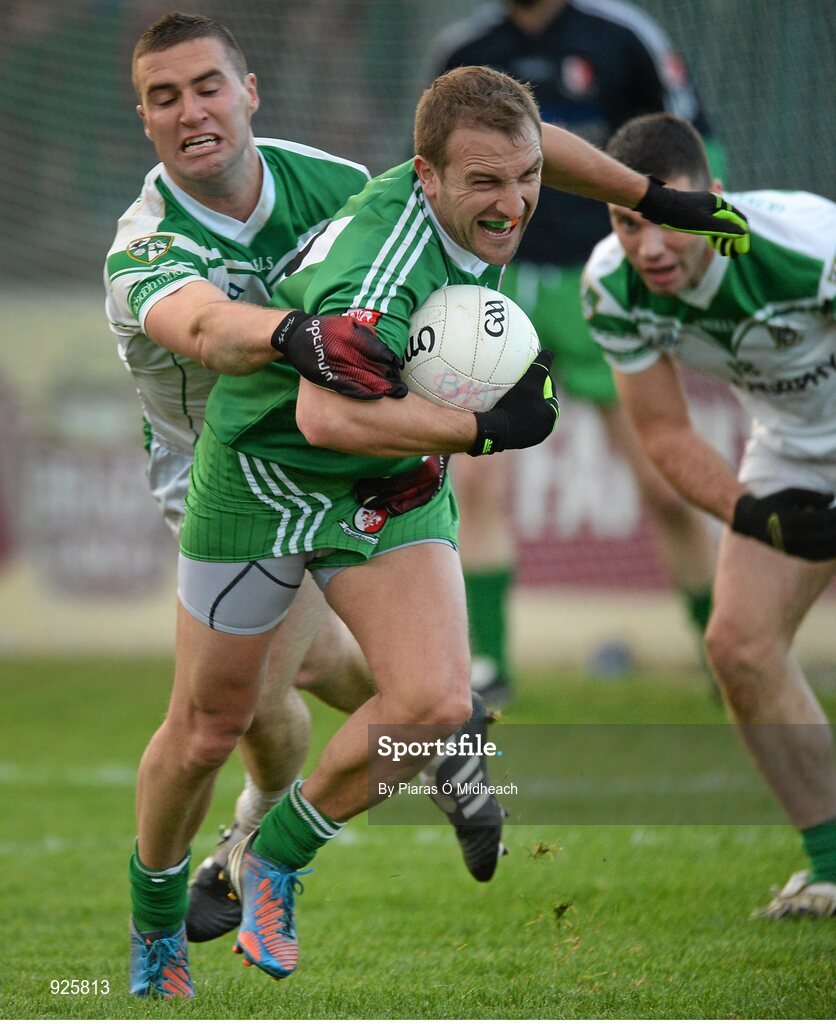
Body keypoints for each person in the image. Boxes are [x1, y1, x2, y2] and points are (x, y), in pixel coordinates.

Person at [125, 56, 750, 997]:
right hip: (264, 476)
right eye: (485, 184)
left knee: (431, 709)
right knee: (210, 727)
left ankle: (272, 862)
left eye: (524, 179)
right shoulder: (385, 267)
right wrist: (485, 430)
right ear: (428, 178)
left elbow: (537, 153)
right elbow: (321, 418)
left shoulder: (481, 181)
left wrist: (652, 195)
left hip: (392, 480)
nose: (513, 205)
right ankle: (156, 930)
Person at [106, 14, 513, 995]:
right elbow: (200, 324)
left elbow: (446, 252)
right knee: (233, 711)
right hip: (227, 470)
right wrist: (293, 332)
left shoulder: (335, 184)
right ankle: (159, 919)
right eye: (164, 97)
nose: (189, 110)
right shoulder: (142, 244)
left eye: (207, 85)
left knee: (409, 690)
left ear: (249, 91)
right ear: (145, 120)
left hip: (357, 457)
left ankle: (257, 853)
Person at [582, 111, 836, 918]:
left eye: (668, 221)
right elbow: (662, 430)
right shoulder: (609, 288)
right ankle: (831, 866)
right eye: (628, 222)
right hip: (793, 448)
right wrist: (754, 513)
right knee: (738, 646)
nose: (650, 247)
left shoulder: (808, 245)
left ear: (715, 201)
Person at [433, 0, 722, 704]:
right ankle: (489, 667)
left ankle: (727, 651)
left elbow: (689, 154)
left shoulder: (623, 38)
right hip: (496, 293)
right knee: (476, 483)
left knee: (665, 481)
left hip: (604, 286)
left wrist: (689, 255)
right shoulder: (464, 52)